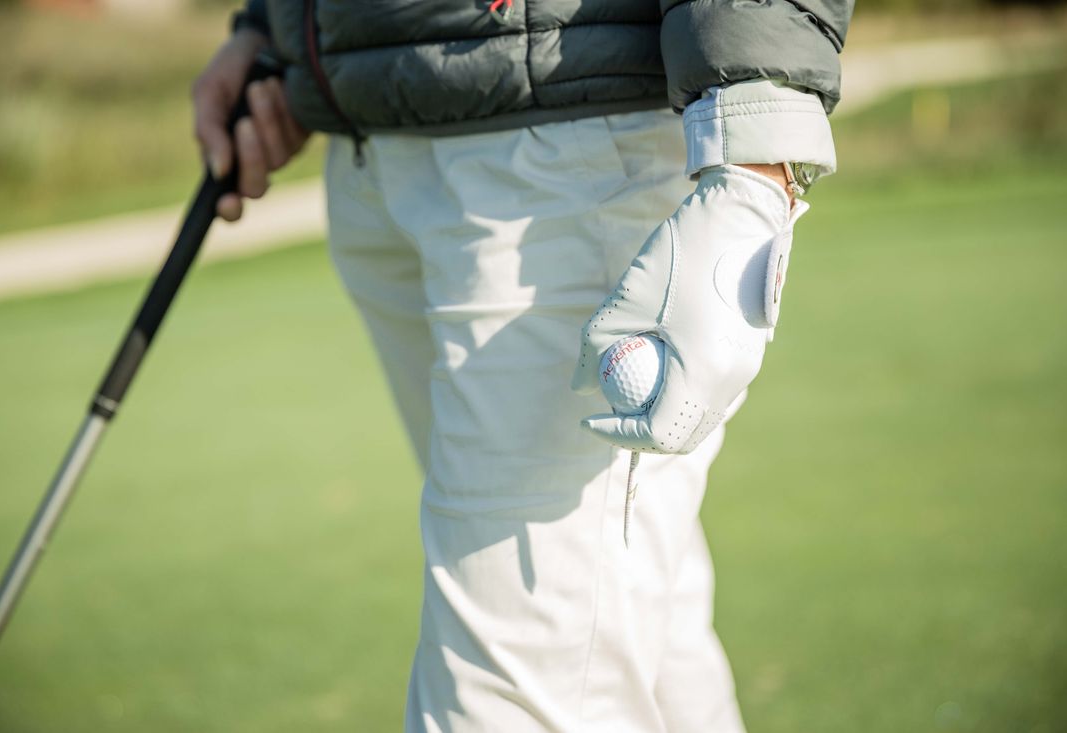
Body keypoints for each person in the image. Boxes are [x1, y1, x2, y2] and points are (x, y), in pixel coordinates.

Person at [193, 1, 853, 730]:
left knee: (511, 697)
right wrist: (271, 27)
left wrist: (753, 157)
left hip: (565, 148)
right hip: (371, 140)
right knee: (638, 646)